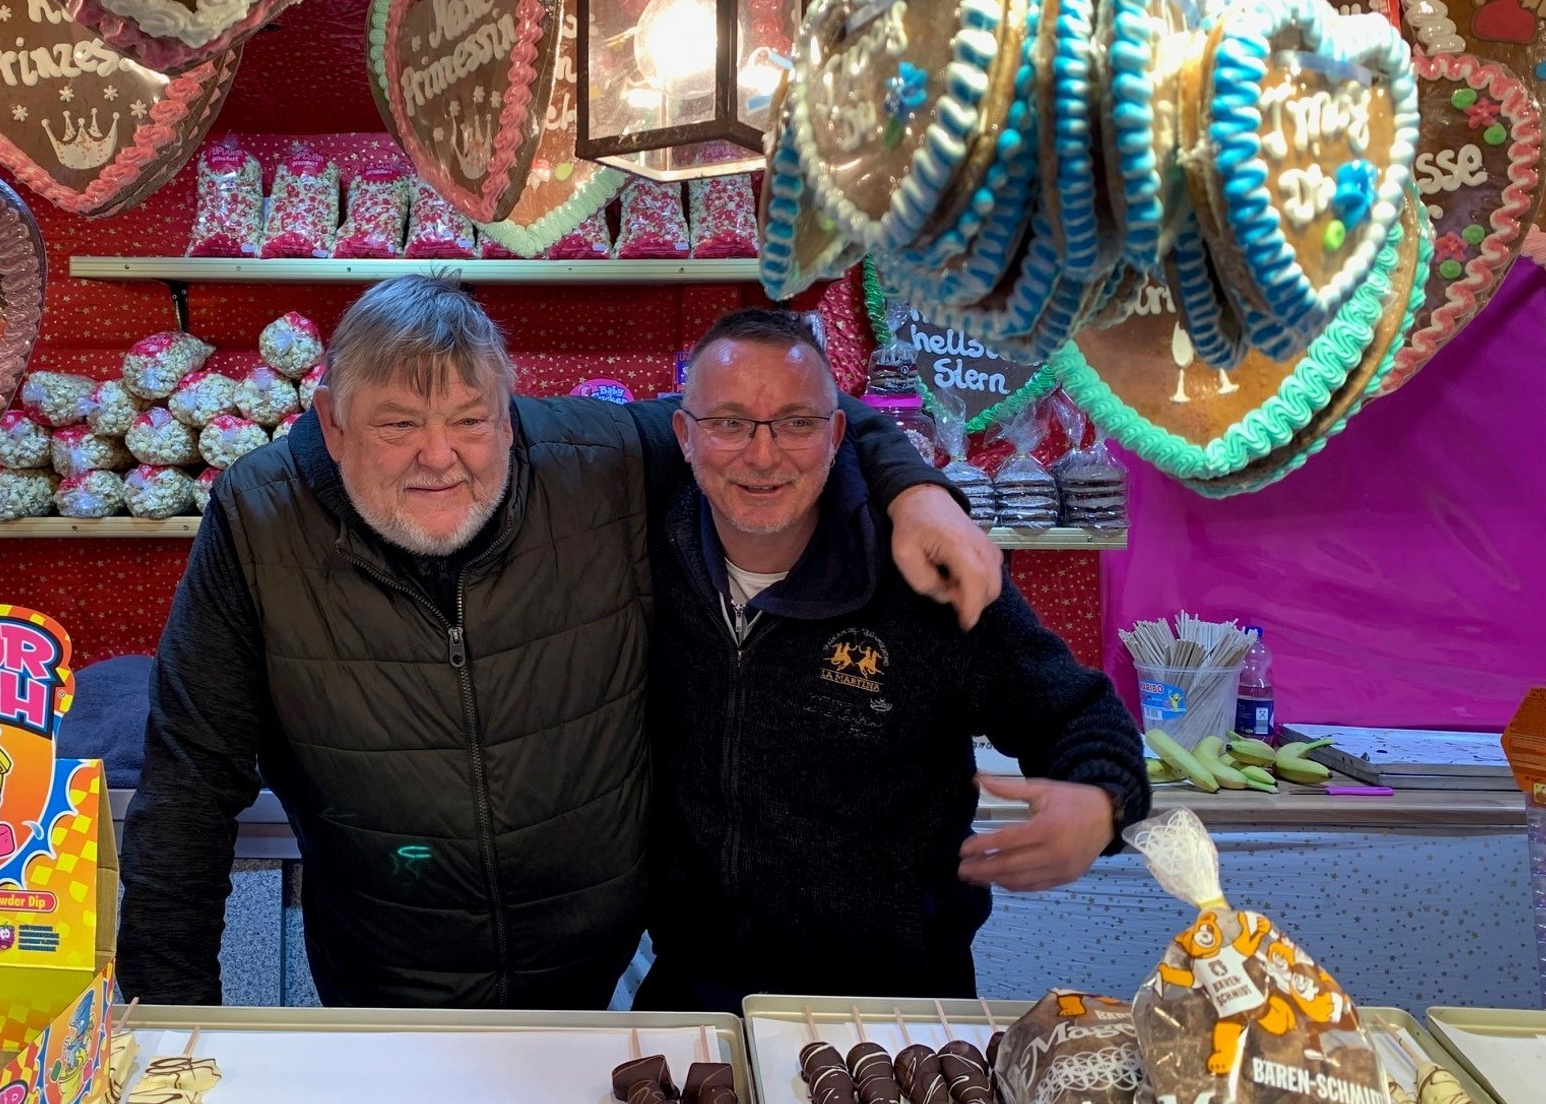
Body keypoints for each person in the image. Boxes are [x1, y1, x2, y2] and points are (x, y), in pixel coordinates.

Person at [118, 276, 1004, 1009]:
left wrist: (911, 488)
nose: (441, 456)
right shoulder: (259, 517)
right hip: (384, 984)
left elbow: (778, 419)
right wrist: (163, 1020)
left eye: (470, 419)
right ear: (332, 421)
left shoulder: (599, 457)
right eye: (397, 424)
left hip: (599, 984)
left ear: (509, 415)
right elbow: (188, 789)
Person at [637, 309, 1150, 1012]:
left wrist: (1101, 801)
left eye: (794, 421)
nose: (762, 455)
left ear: (836, 433)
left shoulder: (921, 572)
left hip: (898, 1000)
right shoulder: (639, 555)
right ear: (684, 436)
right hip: (695, 988)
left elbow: (1079, 713)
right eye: (729, 423)